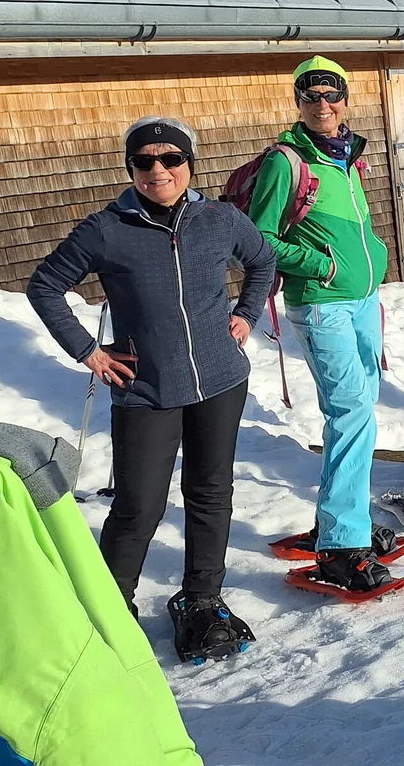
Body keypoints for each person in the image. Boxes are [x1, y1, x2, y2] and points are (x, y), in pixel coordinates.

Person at [26, 117, 275, 657]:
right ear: (131, 167)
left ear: (190, 163)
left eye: (170, 160)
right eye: (144, 161)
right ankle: (112, 607)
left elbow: (261, 261)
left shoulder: (219, 218)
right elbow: (45, 285)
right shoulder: (105, 230)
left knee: (210, 494)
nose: (158, 170)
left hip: (220, 380)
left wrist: (245, 315)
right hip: (146, 389)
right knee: (138, 504)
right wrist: (88, 351)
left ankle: (202, 600)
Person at [246, 56, 395, 594]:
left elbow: (361, 228)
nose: (323, 106)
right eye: (311, 98)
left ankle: (342, 519)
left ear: (345, 100)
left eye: (332, 96)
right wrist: (321, 265)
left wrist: (372, 258)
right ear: (299, 104)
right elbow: (257, 239)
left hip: (361, 302)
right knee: (351, 412)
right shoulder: (286, 162)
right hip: (321, 304)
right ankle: (341, 544)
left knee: (358, 412)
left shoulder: (348, 158)